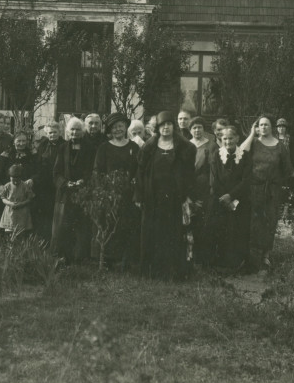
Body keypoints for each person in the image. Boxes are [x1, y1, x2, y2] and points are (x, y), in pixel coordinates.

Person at [136, 111, 194, 280]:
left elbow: (190, 174)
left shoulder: (184, 148)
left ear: (173, 127)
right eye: (162, 125)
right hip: (153, 197)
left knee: (172, 233)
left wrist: (188, 196)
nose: (166, 128)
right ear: (157, 128)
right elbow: (140, 173)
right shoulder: (149, 147)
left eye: (169, 124)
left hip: (175, 199)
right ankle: (152, 271)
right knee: (153, 233)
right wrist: (139, 196)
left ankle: (172, 271)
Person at [243, 115, 293, 271]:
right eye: (261, 125)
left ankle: (266, 256)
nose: (263, 127)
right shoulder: (254, 143)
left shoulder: (280, 146)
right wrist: (251, 134)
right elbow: (240, 153)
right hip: (254, 188)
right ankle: (251, 257)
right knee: (253, 221)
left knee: (269, 221)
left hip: (272, 190)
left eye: (266, 125)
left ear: (272, 127)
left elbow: (288, 170)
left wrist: (280, 186)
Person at [92, 112, 140, 269]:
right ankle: (109, 260)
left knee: (126, 225)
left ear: (126, 127)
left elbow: (139, 171)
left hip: (128, 195)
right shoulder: (104, 148)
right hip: (109, 194)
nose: (118, 130)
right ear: (110, 130)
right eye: (114, 127)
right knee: (110, 225)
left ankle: (125, 260)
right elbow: (98, 171)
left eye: (121, 126)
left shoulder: (134, 147)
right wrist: (103, 192)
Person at [207, 124, 251, 271]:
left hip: (239, 201)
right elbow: (214, 179)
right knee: (219, 229)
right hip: (219, 200)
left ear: (237, 138)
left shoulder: (245, 156)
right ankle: (218, 263)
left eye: (231, 138)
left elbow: (246, 180)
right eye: (224, 138)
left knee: (236, 231)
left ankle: (235, 264)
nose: (228, 141)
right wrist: (224, 198)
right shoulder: (216, 155)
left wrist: (232, 196)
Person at [50, 117, 95, 262]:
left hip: (83, 193)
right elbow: (56, 172)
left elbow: (91, 170)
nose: (75, 132)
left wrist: (83, 181)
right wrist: (65, 183)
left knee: (82, 226)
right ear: (68, 132)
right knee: (64, 226)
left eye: (78, 129)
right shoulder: (63, 148)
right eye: (72, 129)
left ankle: (80, 259)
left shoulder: (89, 148)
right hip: (65, 194)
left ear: (82, 131)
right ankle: (63, 258)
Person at [187, 116, 217, 266]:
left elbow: (213, 169)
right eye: (194, 128)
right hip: (189, 187)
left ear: (203, 129)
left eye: (199, 127)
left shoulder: (211, 145)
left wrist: (211, 187)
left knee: (204, 220)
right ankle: (189, 255)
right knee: (190, 219)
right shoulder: (187, 145)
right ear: (190, 130)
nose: (197, 130)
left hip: (204, 187)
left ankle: (203, 258)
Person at [33, 122, 63, 243]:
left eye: (55, 132)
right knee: (44, 212)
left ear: (59, 132)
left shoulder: (64, 145)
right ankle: (43, 240)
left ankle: (56, 241)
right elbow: (38, 163)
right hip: (44, 184)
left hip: (58, 183)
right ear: (47, 133)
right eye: (50, 132)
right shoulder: (43, 145)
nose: (52, 135)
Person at [0, 164, 35, 241]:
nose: (15, 182)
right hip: (10, 211)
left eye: (17, 180)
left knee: (21, 233)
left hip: (22, 212)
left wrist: (22, 204)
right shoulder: (7, 186)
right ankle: (10, 249)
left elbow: (30, 198)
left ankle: (20, 250)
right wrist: (10, 203)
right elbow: (3, 198)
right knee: (10, 233)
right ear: (10, 177)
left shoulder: (25, 186)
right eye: (13, 179)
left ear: (21, 177)